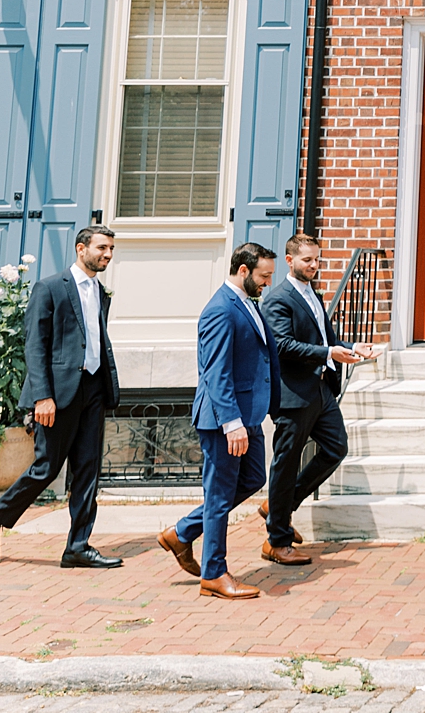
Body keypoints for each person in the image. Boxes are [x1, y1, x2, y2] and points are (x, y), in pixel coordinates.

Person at [0, 225, 122, 569]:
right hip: (57, 394)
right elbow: (35, 344)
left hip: (93, 390)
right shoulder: (50, 287)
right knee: (45, 468)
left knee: (88, 472)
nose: (108, 255)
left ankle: (78, 547)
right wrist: (43, 396)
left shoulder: (100, 292)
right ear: (80, 248)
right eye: (102, 247)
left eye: (112, 249)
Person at [157, 242, 281, 599]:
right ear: (243, 271)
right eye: (264, 276)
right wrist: (232, 423)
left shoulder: (248, 303)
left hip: (250, 415)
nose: (268, 283)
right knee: (219, 494)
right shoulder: (219, 310)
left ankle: (181, 532)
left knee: (254, 478)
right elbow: (215, 373)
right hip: (224, 420)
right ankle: (213, 574)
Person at [257, 232, 374, 564]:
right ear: (290, 260)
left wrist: (350, 348)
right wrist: (328, 351)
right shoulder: (278, 298)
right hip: (294, 394)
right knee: (286, 463)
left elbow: (326, 336)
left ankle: (278, 505)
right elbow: (281, 346)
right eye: (308, 260)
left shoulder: (313, 294)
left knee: (336, 448)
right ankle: (277, 542)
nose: (314, 265)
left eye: (317, 259)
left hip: (321, 389)